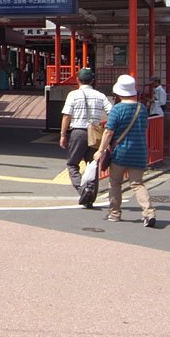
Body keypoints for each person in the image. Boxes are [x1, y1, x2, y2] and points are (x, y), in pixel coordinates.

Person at [94, 74, 156, 227]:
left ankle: (115, 213)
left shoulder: (117, 109)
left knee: (115, 183)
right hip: (139, 152)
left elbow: (109, 132)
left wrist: (100, 150)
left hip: (120, 153)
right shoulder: (141, 108)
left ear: (118, 92)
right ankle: (149, 213)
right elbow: (144, 128)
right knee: (137, 184)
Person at [59, 68, 113, 200]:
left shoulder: (73, 95)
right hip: (94, 132)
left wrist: (62, 135)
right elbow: (111, 112)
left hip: (78, 131)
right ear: (92, 81)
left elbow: (66, 116)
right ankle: (90, 196)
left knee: (72, 164)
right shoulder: (100, 96)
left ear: (78, 80)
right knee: (92, 165)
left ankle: (83, 190)